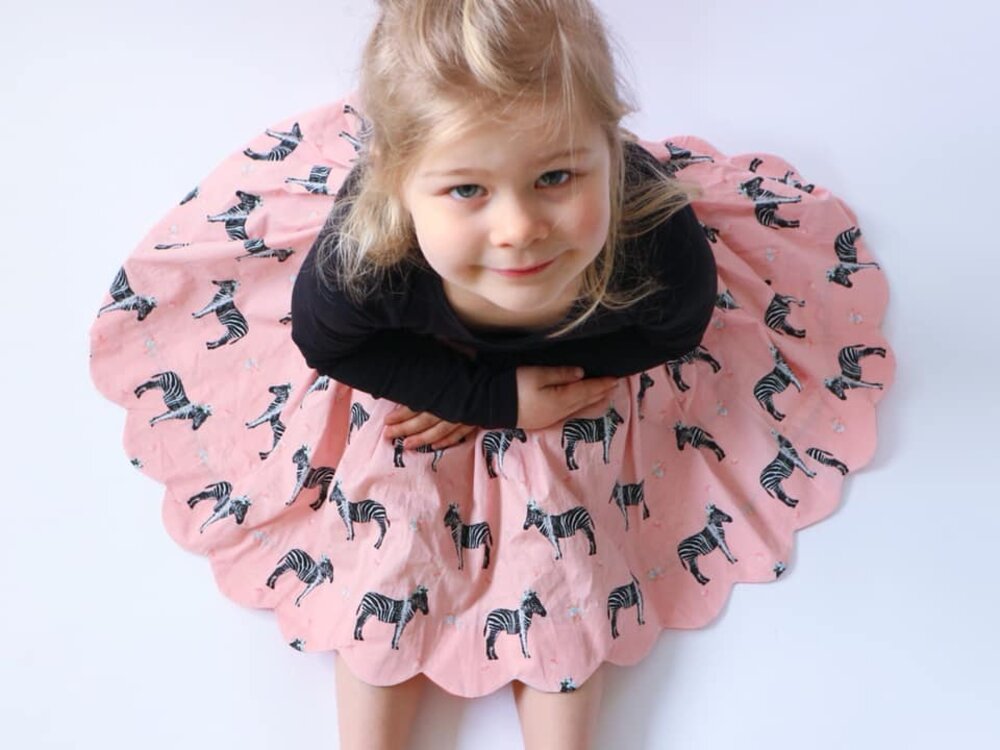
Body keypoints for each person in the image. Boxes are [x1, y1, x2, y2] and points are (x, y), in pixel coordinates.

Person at [88, 1, 893, 748]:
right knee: (391, 502)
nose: (519, 228)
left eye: (558, 177)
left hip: (574, 384)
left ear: (610, 147)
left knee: (566, 535)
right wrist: (478, 394)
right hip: (418, 374)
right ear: (396, 182)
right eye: (467, 189)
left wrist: (543, 387)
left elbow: (673, 329)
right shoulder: (367, 262)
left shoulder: (653, 241)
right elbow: (333, 347)